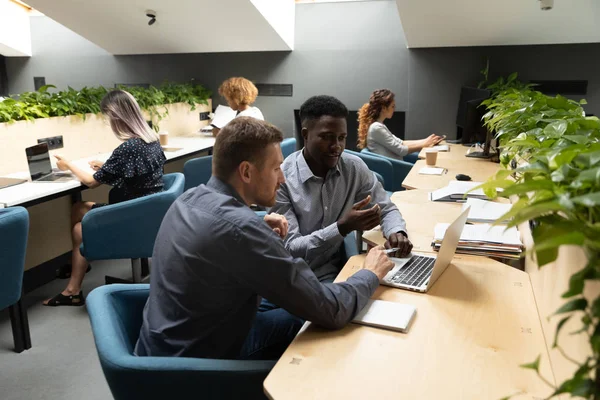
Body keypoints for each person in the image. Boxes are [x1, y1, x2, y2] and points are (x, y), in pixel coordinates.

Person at [135, 117, 395, 361]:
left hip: (159, 348)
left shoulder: (188, 199)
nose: (282, 179)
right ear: (246, 172)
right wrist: (370, 273)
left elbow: (221, 231)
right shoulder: (243, 231)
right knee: (317, 323)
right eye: (275, 168)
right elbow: (330, 309)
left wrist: (258, 222)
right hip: (198, 365)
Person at [270, 95, 413, 283]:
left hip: (339, 270)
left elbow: (386, 208)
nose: (336, 146)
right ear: (305, 134)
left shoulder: (353, 167)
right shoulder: (281, 179)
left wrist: (397, 232)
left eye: (342, 138)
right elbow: (290, 247)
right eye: (327, 137)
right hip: (296, 276)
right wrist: (341, 227)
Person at [43, 90, 166, 306]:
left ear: (116, 116)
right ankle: (80, 260)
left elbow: (91, 183)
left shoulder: (128, 147)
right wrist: (106, 167)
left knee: (79, 229)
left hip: (130, 217)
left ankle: (73, 290)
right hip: (148, 213)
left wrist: (69, 165)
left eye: (108, 117)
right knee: (79, 208)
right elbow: (137, 175)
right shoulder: (151, 139)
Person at [357, 89, 443, 160]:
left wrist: (426, 140)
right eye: (392, 106)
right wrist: (425, 144)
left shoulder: (378, 125)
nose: (394, 109)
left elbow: (401, 143)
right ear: (383, 108)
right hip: (396, 169)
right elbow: (401, 150)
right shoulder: (376, 127)